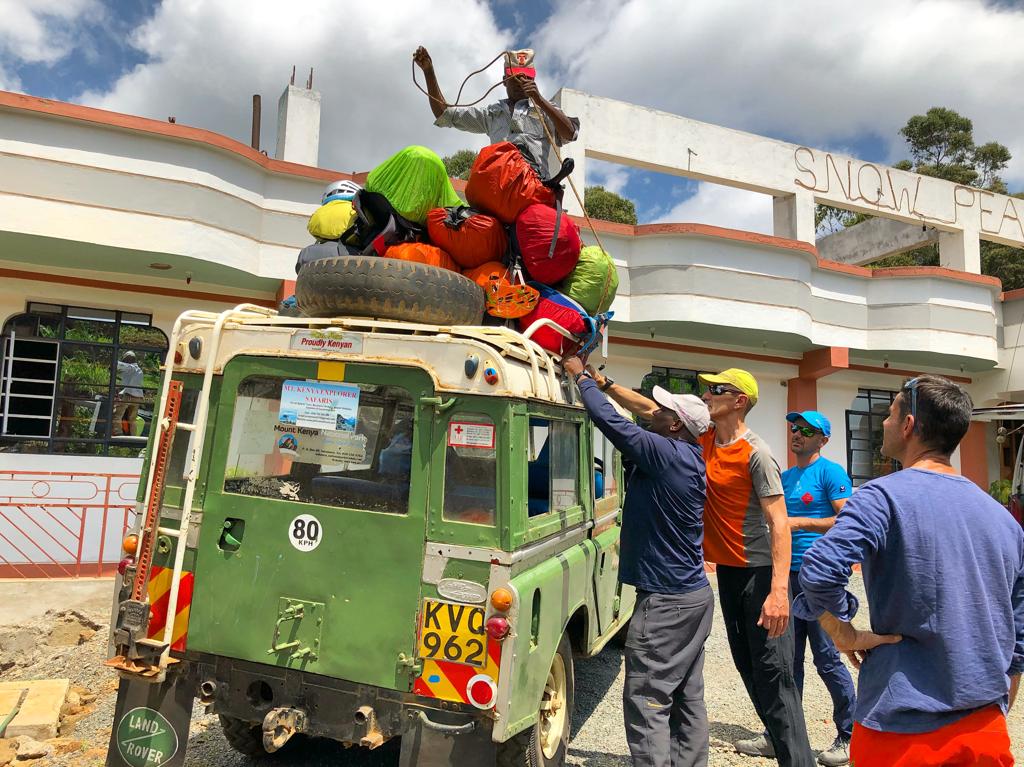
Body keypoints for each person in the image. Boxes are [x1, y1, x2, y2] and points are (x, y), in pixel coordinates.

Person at [794, 375, 1024, 767]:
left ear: (909, 425)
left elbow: (818, 571)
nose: (882, 422)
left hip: (899, 731)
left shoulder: (881, 496)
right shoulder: (1003, 520)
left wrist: (844, 631)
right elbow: (1017, 639)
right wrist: (997, 708)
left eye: (889, 412)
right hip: (984, 730)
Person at [563, 356, 713, 767]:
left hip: (666, 603)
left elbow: (615, 425)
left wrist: (580, 378)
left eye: (663, 411)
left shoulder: (664, 453)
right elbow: (641, 411)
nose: (655, 411)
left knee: (647, 699)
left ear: (676, 425)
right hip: (694, 597)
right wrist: (605, 382)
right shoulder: (687, 455)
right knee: (686, 694)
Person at [697, 368, 814, 767]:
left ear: (739, 400)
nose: (707, 394)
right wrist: (598, 383)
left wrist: (779, 592)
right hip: (729, 573)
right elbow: (655, 410)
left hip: (760, 575)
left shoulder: (758, 453)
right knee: (750, 672)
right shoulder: (707, 439)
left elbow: (779, 522)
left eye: (716, 389)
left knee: (776, 681)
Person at [767, 410, 856, 766]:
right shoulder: (786, 477)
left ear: (823, 439)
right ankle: (786, 734)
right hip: (785, 576)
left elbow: (848, 519)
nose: (797, 433)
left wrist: (801, 521)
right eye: (794, 428)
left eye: (806, 429)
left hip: (819, 577)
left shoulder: (831, 473)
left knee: (827, 658)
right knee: (788, 660)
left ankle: (850, 735)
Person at [413, 46, 579, 177]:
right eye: (516, 78)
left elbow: (570, 133)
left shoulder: (544, 111)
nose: (521, 83)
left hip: (535, 186)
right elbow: (444, 114)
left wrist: (540, 100)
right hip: (498, 187)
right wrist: (428, 71)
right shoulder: (491, 114)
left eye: (527, 78)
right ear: (504, 81)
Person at [112, 351, 144, 437]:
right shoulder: (139, 370)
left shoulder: (131, 368)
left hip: (128, 396)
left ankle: (118, 435)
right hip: (138, 398)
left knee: (116, 416)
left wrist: (112, 361)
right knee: (132, 419)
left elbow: (118, 365)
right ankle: (133, 437)